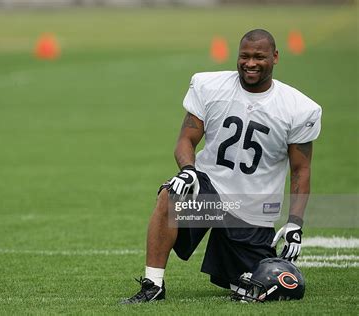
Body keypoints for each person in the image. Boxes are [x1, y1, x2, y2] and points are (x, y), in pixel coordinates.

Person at [121, 29, 322, 304]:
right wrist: (188, 170)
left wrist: (295, 223)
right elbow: (186, 140)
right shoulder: (210, 86)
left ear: (275, 57)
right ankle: (152, 285)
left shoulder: (299, 108)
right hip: (210, 192)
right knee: (171, 194)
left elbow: (301, 170)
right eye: (245, 56)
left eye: (259, 57)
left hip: (252, 209)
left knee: (257, 287)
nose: (250, 63)